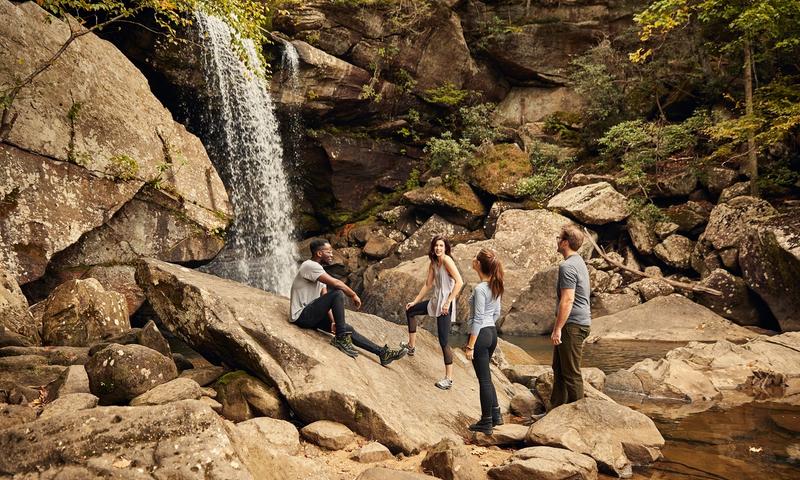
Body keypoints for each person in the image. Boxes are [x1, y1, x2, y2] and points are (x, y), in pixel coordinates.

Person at [290, 238, 407, 366]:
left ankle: (382, 353)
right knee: (337, 293)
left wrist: (334, 322)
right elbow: (336, 284)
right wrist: (353, 294)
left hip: (312, 316)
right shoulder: (309, 265)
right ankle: (340, 339)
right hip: (301, 316)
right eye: (328, 252)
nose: (332, 254)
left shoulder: (320, 272)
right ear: (319, 253)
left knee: (346, 328)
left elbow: (324, 299)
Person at [402, 235, 464, 389]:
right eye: (436, 245)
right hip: (435, 301)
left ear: (446, 248)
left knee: (443, 341)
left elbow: (460, 282)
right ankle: (411, 346)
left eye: (441, 246)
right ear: (433, 247)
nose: (438, 248)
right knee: (410, 311)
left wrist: (448, 302)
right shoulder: (433, 262)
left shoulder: (447, 261)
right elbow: (428, 284)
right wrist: (415, 301)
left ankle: (448, 379)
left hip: (445, 305)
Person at [549, 223, 591, 409]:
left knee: (571, 373)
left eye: (559, 238)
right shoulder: (578, 261)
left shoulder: (567, 266)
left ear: (565, 243)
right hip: (574, 323)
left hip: (573, 324)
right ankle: (555, 411)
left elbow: (567, 300)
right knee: (559, 369)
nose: (557, 241)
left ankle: (578, 417)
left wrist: (557, 328)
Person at [464, 248, 504, 435]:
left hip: (481, 334)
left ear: (479, 264)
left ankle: (486, 421)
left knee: (484, 380)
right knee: (487, 377)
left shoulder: (480, 289)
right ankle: (496, 414)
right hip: (492, 333)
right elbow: (496, 313)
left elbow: (478, 318)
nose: (473, 260)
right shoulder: (495, 285)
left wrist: (471, 344)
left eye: (475, 258)